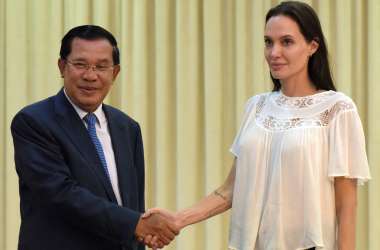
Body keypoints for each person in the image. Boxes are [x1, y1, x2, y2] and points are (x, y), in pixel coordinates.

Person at [142, 1, 371, 250]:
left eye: (287, 42)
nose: (274, 52)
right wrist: (178, 219)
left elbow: (346, 205)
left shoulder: (338, 108)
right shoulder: (256, 107)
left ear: (312, 46)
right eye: (268, 42)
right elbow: (230, 190)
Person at [11, 25, 178, 250]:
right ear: (62, 67)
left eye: (101, 67)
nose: (90, 76)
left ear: (115, 73)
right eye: (80, 65)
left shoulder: (127, 128)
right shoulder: (34, 121)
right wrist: (136, 225)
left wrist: (141, 231)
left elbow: (134, 204)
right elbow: (61, 194)